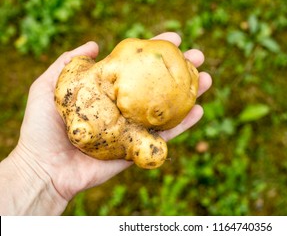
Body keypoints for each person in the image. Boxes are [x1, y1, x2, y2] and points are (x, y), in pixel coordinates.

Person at [0, 32, 212, 215]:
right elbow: (78, 68)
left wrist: (144, 147)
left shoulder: (134, 126)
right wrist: (34, 166)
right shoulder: (83, 83)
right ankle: (86, 130)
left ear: (157, 116)